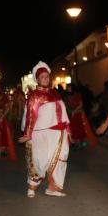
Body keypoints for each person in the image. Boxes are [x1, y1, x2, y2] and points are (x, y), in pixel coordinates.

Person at [18, 62, 70, 198]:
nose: (46, 79)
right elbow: (31, 115)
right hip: (40, 133)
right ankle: (32, 187)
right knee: (39, 161)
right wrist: (28, 134)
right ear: (37, 79)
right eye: (42, 77)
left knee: (59, 159)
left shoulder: (56, 93)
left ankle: (53, 188)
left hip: (58, 133)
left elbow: (62, 113)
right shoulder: (35, 95)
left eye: (47, 76)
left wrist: (68, 130)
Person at [65, 83, 97, 150]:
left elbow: (81, 104)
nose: (68, 89)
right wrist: (70, 111)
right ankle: (77, 143)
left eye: (70, 87)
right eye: (67, 87)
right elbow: (67, 105)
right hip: (71, 115)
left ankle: (81, 142)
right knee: (73, 129)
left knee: (80, 128)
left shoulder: (77, 95)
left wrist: (74, 111)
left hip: (78, 114)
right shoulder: (67, 96)